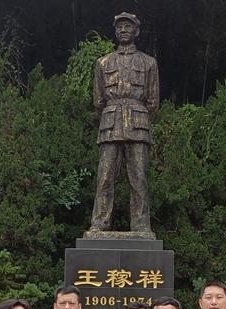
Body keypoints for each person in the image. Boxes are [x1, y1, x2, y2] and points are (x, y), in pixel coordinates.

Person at [89, 12, 159, 234]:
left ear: (137, 31)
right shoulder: (103, 63)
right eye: (120, 27)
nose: (123, 30)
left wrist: (135, 113)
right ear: (115, 31)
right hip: (110, 125)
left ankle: (141, 224)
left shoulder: (149, 63)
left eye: (128, 26)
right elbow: (98, 100)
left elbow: (153, 102)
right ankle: (100, 222)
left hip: (138, 125)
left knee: (139, 179)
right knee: (105, 177)